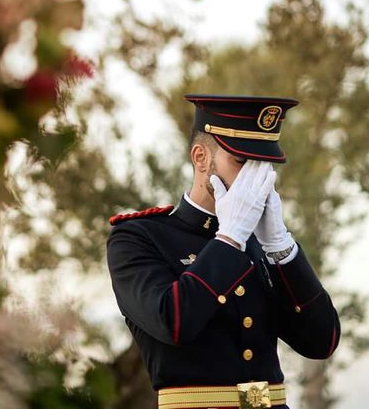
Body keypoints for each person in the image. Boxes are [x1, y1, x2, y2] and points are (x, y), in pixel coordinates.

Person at [106, 94, 340, 409]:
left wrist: (281, 247)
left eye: (264, 164)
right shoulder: (138, 237)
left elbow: (321, 341)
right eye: (242, 161)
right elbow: (172, 322)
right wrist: (229, 237)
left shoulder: (262, 243)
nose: (255, 178)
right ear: (201, 158)